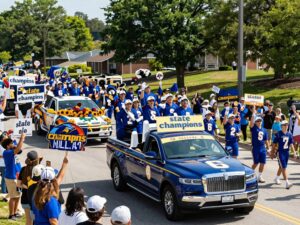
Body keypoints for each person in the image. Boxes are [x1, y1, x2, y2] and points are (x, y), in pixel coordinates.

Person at [2, 133, 26, 221]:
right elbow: (18, 148)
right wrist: (22, 138)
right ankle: (11, 215)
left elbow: (19, 150)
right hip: (11, 178)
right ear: (8, 146)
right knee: (13, 197)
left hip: (17, 177)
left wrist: (19, 140)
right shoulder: (7, 152)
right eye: (11, 143)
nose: (13, 144)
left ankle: (15, 213)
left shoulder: (11, 151)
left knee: (18, 196)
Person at [17, 151, 42, 225]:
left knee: (28, 221)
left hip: (25, 198)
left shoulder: (23, 169)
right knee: (36, 221)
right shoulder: (39, 170)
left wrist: (27, 187)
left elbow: (18, 184)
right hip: (36, 200)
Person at [271, 121, 297, 189]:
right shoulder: (278, 134)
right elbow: (274, 143)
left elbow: (291, 144)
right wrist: (272, 152)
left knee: (281, 166)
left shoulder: (289, 134)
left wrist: (294, 152)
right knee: (284, 167)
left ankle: (276, 178)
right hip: (280, 153)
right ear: (281, 126)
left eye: (287, 125)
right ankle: (287, 182)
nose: (286, 126)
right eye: (284, 125)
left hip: (286, 153)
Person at [250, 110, 270, 183]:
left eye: (260, 121)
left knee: (262, 162)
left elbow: (266, 140)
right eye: (257, 121)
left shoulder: (264, 130)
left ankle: (260, 176)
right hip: (255, 147)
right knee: (256, 162)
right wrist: (253, 114)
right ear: (255, 122)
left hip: (262, 148)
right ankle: (249, 174)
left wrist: (268, 148)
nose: (259, 122)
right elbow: (251, 123)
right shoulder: (254, 128)